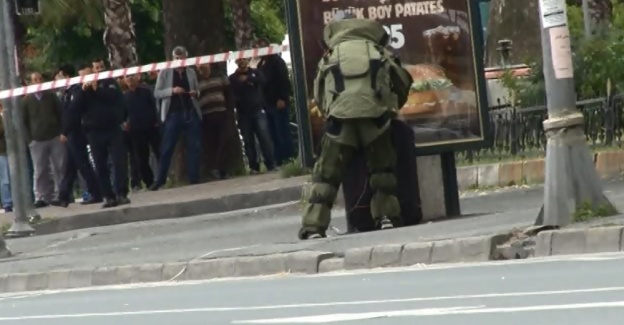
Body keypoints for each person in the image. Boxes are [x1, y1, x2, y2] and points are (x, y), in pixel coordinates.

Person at [298, 13, 413, 240]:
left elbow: (319, 94)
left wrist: (333, 113)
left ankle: (314, 227)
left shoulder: (331, 55)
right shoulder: (378, 51)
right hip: (375, 118)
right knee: (382, 170)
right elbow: (402, 83)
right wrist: (390, 107)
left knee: (326, 175)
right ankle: (386, 218)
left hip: (340, 121)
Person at [66, 63, 130, 208]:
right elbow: (73, 110)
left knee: (119, 161)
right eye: (82, 77)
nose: (86, 79)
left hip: (112, 128)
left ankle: (121, 193)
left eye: (87, 75)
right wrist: (83, 92)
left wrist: (96, 89)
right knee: (100, 165)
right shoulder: (78, 90)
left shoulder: (108, 83)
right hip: (93, 131)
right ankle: (108, 196)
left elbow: (116, 99)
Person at [150, 46, 202, 191]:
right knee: (167, 148)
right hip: (172, 113)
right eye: (176, 58)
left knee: (194, 146)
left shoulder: (191, 72)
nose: (179, 61)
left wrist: (195, 93)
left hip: (190, 111)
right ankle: (160, 180)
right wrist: (172, 91)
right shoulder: (165, 72)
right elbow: (157, 93)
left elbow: (197, 90)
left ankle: (194, 178)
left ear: (186, 58)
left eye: (182, 58)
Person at [52, 64, 103, 207]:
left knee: (83, 164)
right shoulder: (68, 93)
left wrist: (65, 131)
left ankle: (96, 192)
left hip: (76, 133)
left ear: (66, 76)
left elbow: (72, 114)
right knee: (71, 166)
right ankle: (64, 195)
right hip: (72, 133)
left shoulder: (75, 91)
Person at [21, 72, 66, 208]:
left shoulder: (51, 96)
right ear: (31, 83)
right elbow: (23, 122)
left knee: (59, 166)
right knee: (40, 170)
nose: (38, 82)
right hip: (37, 140)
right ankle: (41, 196)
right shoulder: (26, 100)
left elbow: (61, 114)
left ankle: (61, 194)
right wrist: (29, 139)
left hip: (54, 137)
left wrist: (62, 132)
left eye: (40, 79)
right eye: (35, 80)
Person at [229, 57, 275, 174]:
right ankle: (254, 167)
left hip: (258, 110)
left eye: (244, 60)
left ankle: (270, 164)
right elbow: (232, 92)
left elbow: (263, 81)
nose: (242, 62)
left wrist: (249, 79)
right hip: (243, 113)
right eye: (239, 60)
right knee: (248, 141)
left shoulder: (255, 73)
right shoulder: (233, 78)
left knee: (264, 138)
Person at [256, 38, 295, 166]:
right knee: (273, 134)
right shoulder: (261, 64)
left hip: (278, 102)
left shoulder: (277, 62)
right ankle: (278, 159)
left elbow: (283, 80)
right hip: (267, 104)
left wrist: (282, 98)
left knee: (282, 131)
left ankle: (288, 158)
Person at [123, 73, 160, 189]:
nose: (130, 79)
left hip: (151, 127)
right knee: (141, 159)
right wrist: (125, 122)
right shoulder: (125, 96)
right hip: (136, 131)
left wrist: (157, 121)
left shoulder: (146, 91)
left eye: (132, 76)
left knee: (160, 153)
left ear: (138, 77)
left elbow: (155, 106)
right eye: (127, 77)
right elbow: (122, 114)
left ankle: (162, 178)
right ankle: (149, 182)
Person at [197, 63, 232, 180]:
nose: (202, 68)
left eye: (204, 65)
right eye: (200, 67)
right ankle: (217, 170)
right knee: (212, 144)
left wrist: (229, 109)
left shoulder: (220, 77)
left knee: (224, 140)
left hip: (221, 112)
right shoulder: (197, 82)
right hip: (206, 115)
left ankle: (220, 168)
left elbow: (228, 93)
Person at [0, 104, 13, 212]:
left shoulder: (7, 113)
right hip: (1, 152)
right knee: (5, 180)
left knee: (13, 178)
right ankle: (7, 202)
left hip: (12, 151)